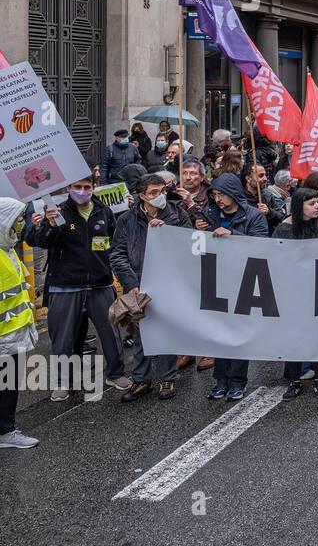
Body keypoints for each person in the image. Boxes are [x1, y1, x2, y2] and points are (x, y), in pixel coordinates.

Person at [28, 177, 129, 399]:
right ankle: (63, 383)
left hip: (100, 283)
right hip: (65, 286)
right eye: (77, 187)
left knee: (110, 333)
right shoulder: (56, 212)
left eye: (86, 187)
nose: (82, 192)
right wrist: (50, 225)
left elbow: (115, 240)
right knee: (63, 339)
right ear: (68, 189)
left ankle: (116, 373)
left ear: (93, 188)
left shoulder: (104, 211)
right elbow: (41, 241)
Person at [113, 174, 191, 402]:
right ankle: (141, 379)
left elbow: (190, 243)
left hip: (171, 282)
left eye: (162, 191)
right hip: (139, 283)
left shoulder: (177, 214)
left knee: (166, 330)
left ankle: (168, 377)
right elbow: (118, 254)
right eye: (154, 193)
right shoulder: (127, 220)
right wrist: (131, 284)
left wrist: (165, 232)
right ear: (141, 196)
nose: (160, 196)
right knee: (140, 332)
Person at [197, 172, 269, 400]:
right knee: (219, 333)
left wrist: (233, 235)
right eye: (215, 195)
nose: (218, 199)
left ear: (234, 194)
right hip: (216, 278)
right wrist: (200, 231)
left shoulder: (254, 216)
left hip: (243, 280)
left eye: (222, 195)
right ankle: (220, 380)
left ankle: (238, 381)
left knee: (238, 334)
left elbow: (261, 246)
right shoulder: (209, 214)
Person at [272, 188, 318, 400]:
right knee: (294, 338)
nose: (317, 206)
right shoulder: (284, 229)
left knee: (317, 338)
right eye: (312, 203)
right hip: (293, 292)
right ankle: (294, 381)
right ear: (299, 207)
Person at [0, 197, 39, 449]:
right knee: (7, 384)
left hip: (12, 333)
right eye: (16, 219)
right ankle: (5, 432)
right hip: (4, 336)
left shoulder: (7, 249)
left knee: (8, 384)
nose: (20, 224)